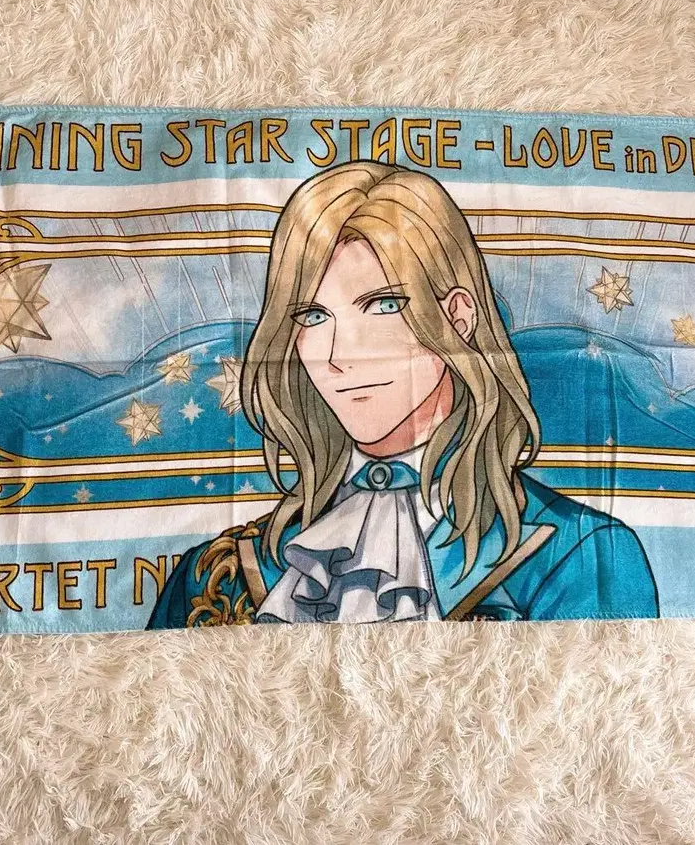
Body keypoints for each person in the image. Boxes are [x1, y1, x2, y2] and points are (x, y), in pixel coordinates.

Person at [148, 161, 658, 628]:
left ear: (458, 317)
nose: (339, 355)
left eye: (384, 305)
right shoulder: (215, 575)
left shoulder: (583, 556)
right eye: (313, 316)